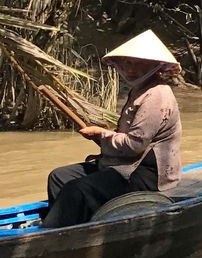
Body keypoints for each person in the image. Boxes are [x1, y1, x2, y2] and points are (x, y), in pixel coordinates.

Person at [42, 30, 183, 228]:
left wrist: (102, 134)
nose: (131, 69)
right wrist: (104, 139)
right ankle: (66, 224)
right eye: (127, 63)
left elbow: (134, 144)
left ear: (154, 66)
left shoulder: (157, 95)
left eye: (139, 63)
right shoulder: (139, 90)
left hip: (145, 174)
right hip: (124, 164)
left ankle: (61, 232)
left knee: (77, 189)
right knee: (60, 176)